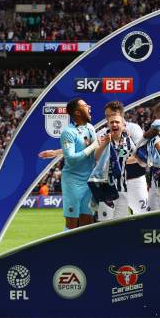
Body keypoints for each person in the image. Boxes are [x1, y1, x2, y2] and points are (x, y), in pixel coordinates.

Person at [39, 100, 150, 215]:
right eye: (106, 116)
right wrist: (56, 152)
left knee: (142, 215)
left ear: (120, 114)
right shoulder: (103, 133)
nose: (107, 118)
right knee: (112, 220)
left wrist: (116, 160)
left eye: (110, 115)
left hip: (134, 180)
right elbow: (83, 148)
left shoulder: (134, 129)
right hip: (113, 184)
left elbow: (139, 155)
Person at [59, 98, 104, 229]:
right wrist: (93, 146)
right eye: (85, 105)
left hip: (89, 180)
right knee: (72, 224)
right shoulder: (68, 132)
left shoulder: (90, 128)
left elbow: (96, 151)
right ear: (78, 112)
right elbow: (71, 158)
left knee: (87, 222)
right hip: (73, 182)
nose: (89, 107)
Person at [94, 112, 140, 221]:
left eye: (117, 122)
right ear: (108, 125)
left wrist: (122, 162)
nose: (114, 124)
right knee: (104, 225)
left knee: (120, 225)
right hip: (106, 190)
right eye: (112, 122)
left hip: (122, 189)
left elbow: (135, 156)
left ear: (123, 125)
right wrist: (105, 144)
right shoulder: (102, 139)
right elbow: (95, 157)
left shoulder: (128, 140)